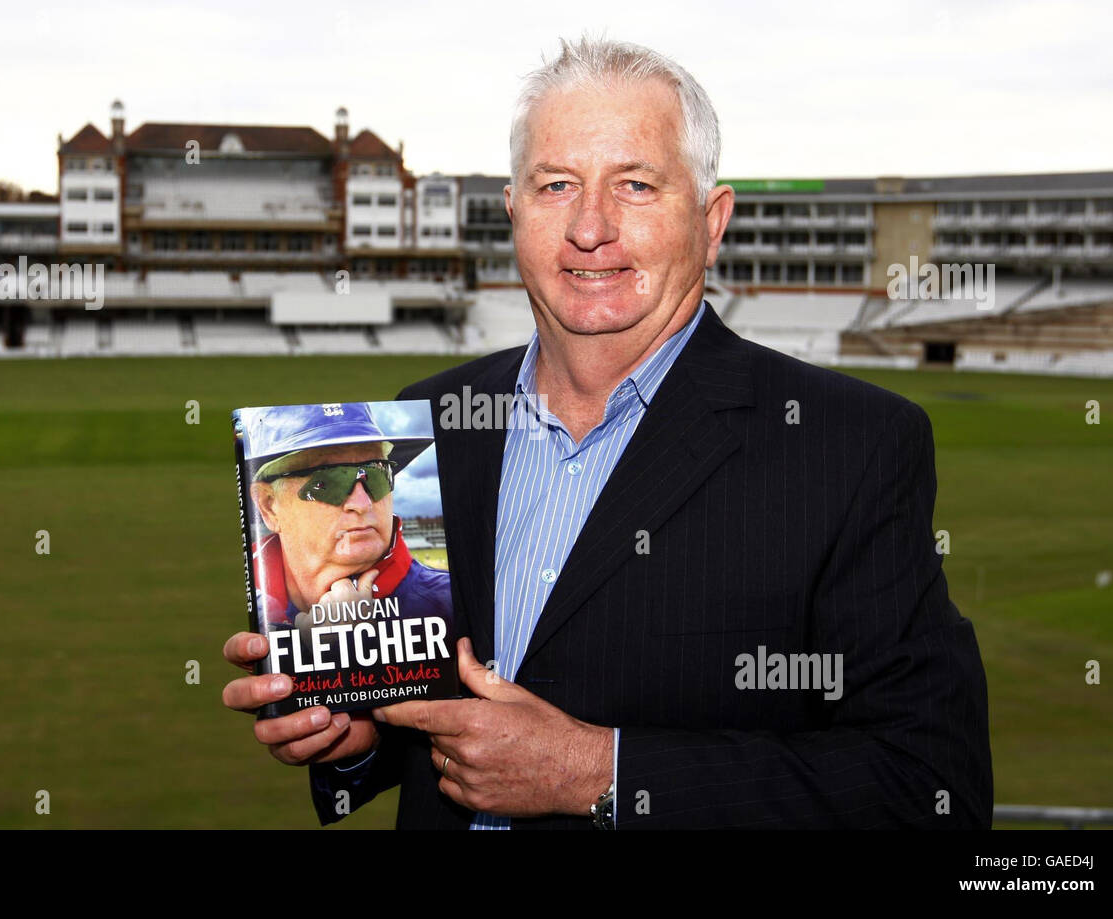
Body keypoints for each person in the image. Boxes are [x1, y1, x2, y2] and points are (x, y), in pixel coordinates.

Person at [224, 36, 992, 830]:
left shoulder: (850, 446)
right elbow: (438, 721)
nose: (591, 227)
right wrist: (355, 733)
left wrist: (601, 771)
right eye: (557, 184)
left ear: (711, 218)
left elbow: (932, 787)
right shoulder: (433, 421)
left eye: (635, 183)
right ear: (514, 212)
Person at [238, 403, 451, 636]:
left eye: (377, 472)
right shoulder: (241, 610)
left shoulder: (452, 605)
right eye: (328, 480)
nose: (362, 503)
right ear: (269, 506)